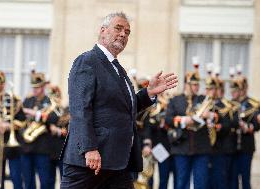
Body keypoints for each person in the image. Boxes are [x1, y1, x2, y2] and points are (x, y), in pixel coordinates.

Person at [60, 12, 178, 189]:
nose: (124, 34)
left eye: (128, 32)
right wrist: (89, 148)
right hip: (90, 160)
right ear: (102, 30)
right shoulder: (87, 61)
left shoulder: (118, 69)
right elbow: (80, 109)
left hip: (117, 160)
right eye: (118, 28)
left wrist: (148, 93)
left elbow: (122, 109)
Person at [165, 68, 210, 189]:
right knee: (181, 182)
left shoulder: (202, 99)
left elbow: (214, 118)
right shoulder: (176, 100)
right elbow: (168, 119)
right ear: (186, 84)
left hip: (201, 148)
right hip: (181, 147)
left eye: (197, 84)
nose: (196, 87)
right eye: (193, 84)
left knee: (201, 183)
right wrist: (185, 120)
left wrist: (209, 115)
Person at [21, 71, 59, 189]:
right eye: (33, 87)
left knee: (45, 182)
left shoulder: (50, 101)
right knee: (28, 182)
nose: (34, 90)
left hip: (43, 148)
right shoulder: (28, 100)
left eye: (37, 88)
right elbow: (21, 118)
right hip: (27, 147)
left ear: (43, 87)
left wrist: (35, 114)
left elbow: (53, 119)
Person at [0, 71, 26, 189]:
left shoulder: (13, 99)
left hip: (12, 143)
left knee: (15, 175)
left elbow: (22, 120)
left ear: (3, 84)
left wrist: (8, 126)